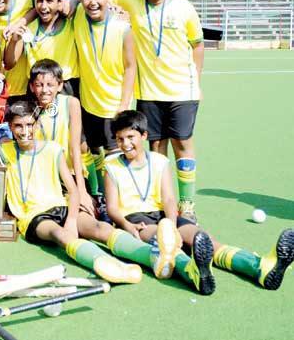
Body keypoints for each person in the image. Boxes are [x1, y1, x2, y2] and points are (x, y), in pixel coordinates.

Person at [105, 110, 294, 294]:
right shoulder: (112, 165)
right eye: (120, 139)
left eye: (131, 137)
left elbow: (169, 198)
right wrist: (126, 225)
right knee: (165, 246)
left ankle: (260, 268)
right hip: (136, 220)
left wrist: (170, 225)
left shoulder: (159, 161)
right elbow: (112, 208)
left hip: (165, 216)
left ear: (144, 135)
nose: (125, 143)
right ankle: (193, 272)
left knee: (204, 239)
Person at [2, 101, 183, 284]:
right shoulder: (3, 151)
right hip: (33, 216)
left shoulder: (53, 149)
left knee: (101, 228)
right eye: (18, 126)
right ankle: (109, 265)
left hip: (62, 207)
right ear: (10, 127)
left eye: (29, 125)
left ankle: (153, 257)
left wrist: (72, 220)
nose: (24, 131)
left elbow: (73, 191)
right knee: (60, 234)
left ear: (38, 124)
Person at [111, 0, 203, 221]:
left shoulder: (183, 7)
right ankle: (160, 201)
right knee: (155, 148)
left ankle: (186, 204)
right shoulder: (132, 2)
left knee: (182, 143)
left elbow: (197, 46)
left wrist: (196, 80)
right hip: (149, 93)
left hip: (182, 92)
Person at [74, 0, 136, 199]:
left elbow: (130, 67)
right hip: (88, 102)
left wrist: (124, 103)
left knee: (115, 152)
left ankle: (121, 198)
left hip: (114, 105)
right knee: (92, 150)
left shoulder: (123, 28)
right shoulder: (78, 15)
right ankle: (98, 193)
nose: (93, 2)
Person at [6, 0, 79, 98]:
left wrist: (74, 1)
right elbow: (9, 64)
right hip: (37, 87)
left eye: (49, 1)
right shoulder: (28, 28)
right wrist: (14, 41)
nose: (44, 6)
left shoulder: (71, 23)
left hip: (66, 86)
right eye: (39, 1)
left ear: (60, 3)